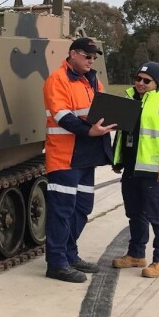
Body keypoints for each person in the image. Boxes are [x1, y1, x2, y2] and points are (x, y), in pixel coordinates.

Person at [43, 37, 115, 283]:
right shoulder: (58, 80)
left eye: (94, 57)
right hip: (65, 157)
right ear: (73, 54)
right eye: (87, 56)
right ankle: (56, 263)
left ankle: (70, 255)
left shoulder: (93, 80)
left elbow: (101, 110)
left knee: (82, 208)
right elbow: (62, 116)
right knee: (62, 211)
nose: (91, 61)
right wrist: (90, 131)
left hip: (87, 156)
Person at [111, 61, 159, 278]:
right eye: (138, 79)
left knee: (157, 216)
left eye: (146, 81)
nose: (140, 83)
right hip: (131, 169)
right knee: (135, 215)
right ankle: (136, 255)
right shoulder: (129, 100)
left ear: (156, 83)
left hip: (154, 172)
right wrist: (117, 159)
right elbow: (122, 133)